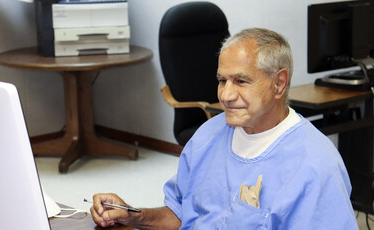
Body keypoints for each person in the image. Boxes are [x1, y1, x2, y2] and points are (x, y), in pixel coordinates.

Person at [90, 28, 358, 229]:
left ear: (279, 84)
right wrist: (133, 215)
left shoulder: (316, 166)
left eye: (241, 81)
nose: (226, 95)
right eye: (222, 80)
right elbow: (180, 213)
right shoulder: (209, 134)